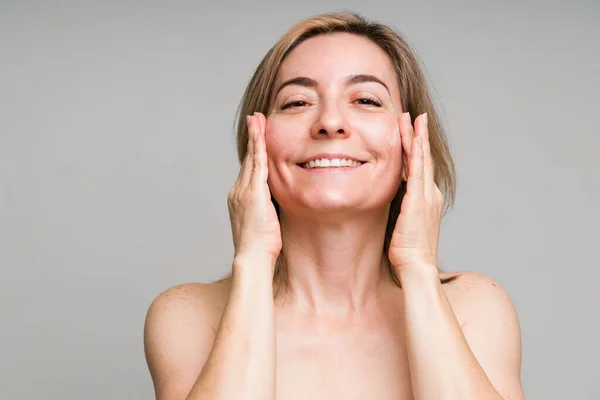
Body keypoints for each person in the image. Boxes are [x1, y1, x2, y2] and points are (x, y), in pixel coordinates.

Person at [143, 11, 524, 400]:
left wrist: (417, 265)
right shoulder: (187, 317)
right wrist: (254, 261)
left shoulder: (475, 308)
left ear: (414, 143)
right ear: (258, 137)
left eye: (365, 99)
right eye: (296, 102)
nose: (330, 121)